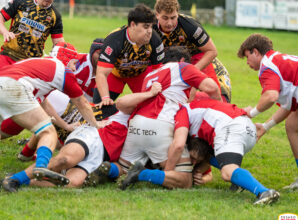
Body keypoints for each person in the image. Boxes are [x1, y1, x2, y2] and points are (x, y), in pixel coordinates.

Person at [0, 55, 104, 189]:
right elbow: (81, 103)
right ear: (66, 63)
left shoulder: (39, 66)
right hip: (10, 86)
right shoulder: (65, 73)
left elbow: (43, 103)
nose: (76, 68)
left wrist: (65, 125)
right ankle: (41, 167)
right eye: (74, 64)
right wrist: (97, 126)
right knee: (47, 132)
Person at [89, 46, 221, 189]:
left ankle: (109, 168)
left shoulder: (150, 75)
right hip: (160, 125)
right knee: (185, 180)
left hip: (136, 125)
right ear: (183, 60)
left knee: (123, 169)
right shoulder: (183, 67)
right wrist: (218, 107)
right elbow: (212, 88)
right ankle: (143, 174)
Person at [238, 33, 298, 190]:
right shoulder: (276, 59)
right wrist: (265, 126)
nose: (247, 63)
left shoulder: (267, 67)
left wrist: (250, 114)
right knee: (293, 124)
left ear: (255, 52)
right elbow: (288, 106)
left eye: (247, 57)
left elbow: (271, 96)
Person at [175, 98, 280, 205]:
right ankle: (239, 182)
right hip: (246, 128)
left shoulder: (181, 112)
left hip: (232, 128)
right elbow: (205, 153)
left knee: (227, 172)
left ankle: (264, 192)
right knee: (210, 155)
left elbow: (178, 146)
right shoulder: (193, 108)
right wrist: (197, 172)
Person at [0, 110, 131, 191]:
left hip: (105, 154)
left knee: (72, 183)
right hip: (96, 134)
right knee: (65, 160)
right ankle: (17, 178)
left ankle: (19, 180)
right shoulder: (136, 106)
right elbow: (122, 102)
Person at [153, 0, 231, 102]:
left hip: (197, 57)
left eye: (173, 18)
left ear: (177, 13)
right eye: (165, 18)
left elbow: (212, 51)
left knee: (215, 95)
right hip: (169, 59)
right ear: (157, 15)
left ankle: (220, 111)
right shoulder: (150, 27)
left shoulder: (190, 26)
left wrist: (191, 72)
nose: (169, 23)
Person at [94, 4, 165, 106]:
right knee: (99, 107)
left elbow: (159, 71)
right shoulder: (114, 39)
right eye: (145, 27)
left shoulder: (155, 40)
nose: (149, 31)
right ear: (132, 25)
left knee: (152, 105)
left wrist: (154, 89)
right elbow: (101, 73)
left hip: (140, 75)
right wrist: (105, 98)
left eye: (150, 26)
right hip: (116, 74)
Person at [0, 0, 63, 73]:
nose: (48, 1)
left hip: (31, 63)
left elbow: (58, 43)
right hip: (9, 55)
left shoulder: (55, 15)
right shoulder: (20, 2)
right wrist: (5, 32)